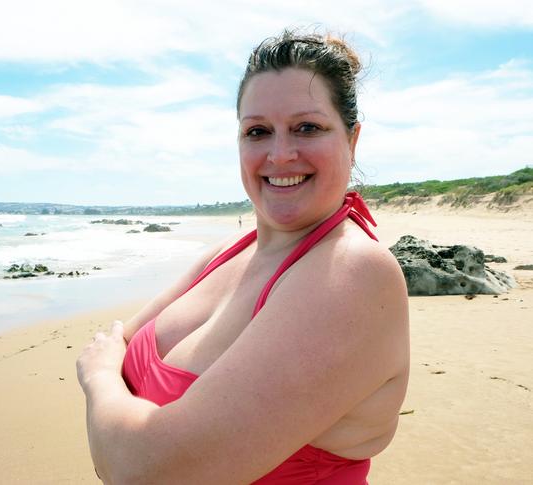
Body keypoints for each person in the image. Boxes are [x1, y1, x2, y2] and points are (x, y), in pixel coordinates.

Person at [77, 29, 409, 484]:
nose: (280, 154)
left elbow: (148, 470)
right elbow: (116, 346)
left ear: (352, 140)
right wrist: (119, 418)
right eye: (258, 132)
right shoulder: (225, 254)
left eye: (307, 127)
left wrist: (98, 381)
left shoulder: (351, 274)